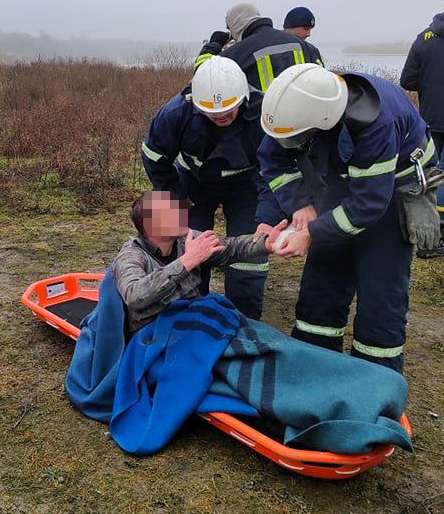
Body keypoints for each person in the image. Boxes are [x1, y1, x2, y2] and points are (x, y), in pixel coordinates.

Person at [257, 64, 442, 373]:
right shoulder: (294, 110)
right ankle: (311, 368)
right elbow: (272, 158)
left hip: (394, 188)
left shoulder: (377, 123)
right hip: (344, 181)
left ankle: (375, 380)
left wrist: (312, 233)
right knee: (322, 281)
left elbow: (369, 203)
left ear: (323, 121)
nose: (289, 142)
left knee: (380, 292)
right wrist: (300, 205)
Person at [141, 56, 279, 320]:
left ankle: (243, 320)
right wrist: (177, 197)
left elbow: (273, 170)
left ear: (243, 98)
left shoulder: (264, 116)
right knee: (189, 246)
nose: (221, 116)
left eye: (229, 109)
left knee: (248, 255)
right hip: (193, 185)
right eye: (212, 111)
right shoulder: (176, 114)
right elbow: (154, 156)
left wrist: (267, 216)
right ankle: (189, 314)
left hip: (246, 187)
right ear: (196, 103)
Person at [112, 190, 271, 336]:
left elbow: (231, 248)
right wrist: (187, 261)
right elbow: (135, 296)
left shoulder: (187, 239)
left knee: (262, 340)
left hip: (195, 322)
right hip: (156, 336)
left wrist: (267, 243)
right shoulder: (130, 256)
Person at [194, 2, 321, 96]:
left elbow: (203, 76)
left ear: (236, 25)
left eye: (229, 29)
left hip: (261, 125)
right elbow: (324, 82)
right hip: (305, 122)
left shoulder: (237, 52)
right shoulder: (307, 47)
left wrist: (214, 44)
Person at [400, 10, 444, 257]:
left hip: (430, 117)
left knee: (429, 173)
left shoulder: (424, 38)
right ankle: (436, 237)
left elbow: (408, 80)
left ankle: (428, 237)